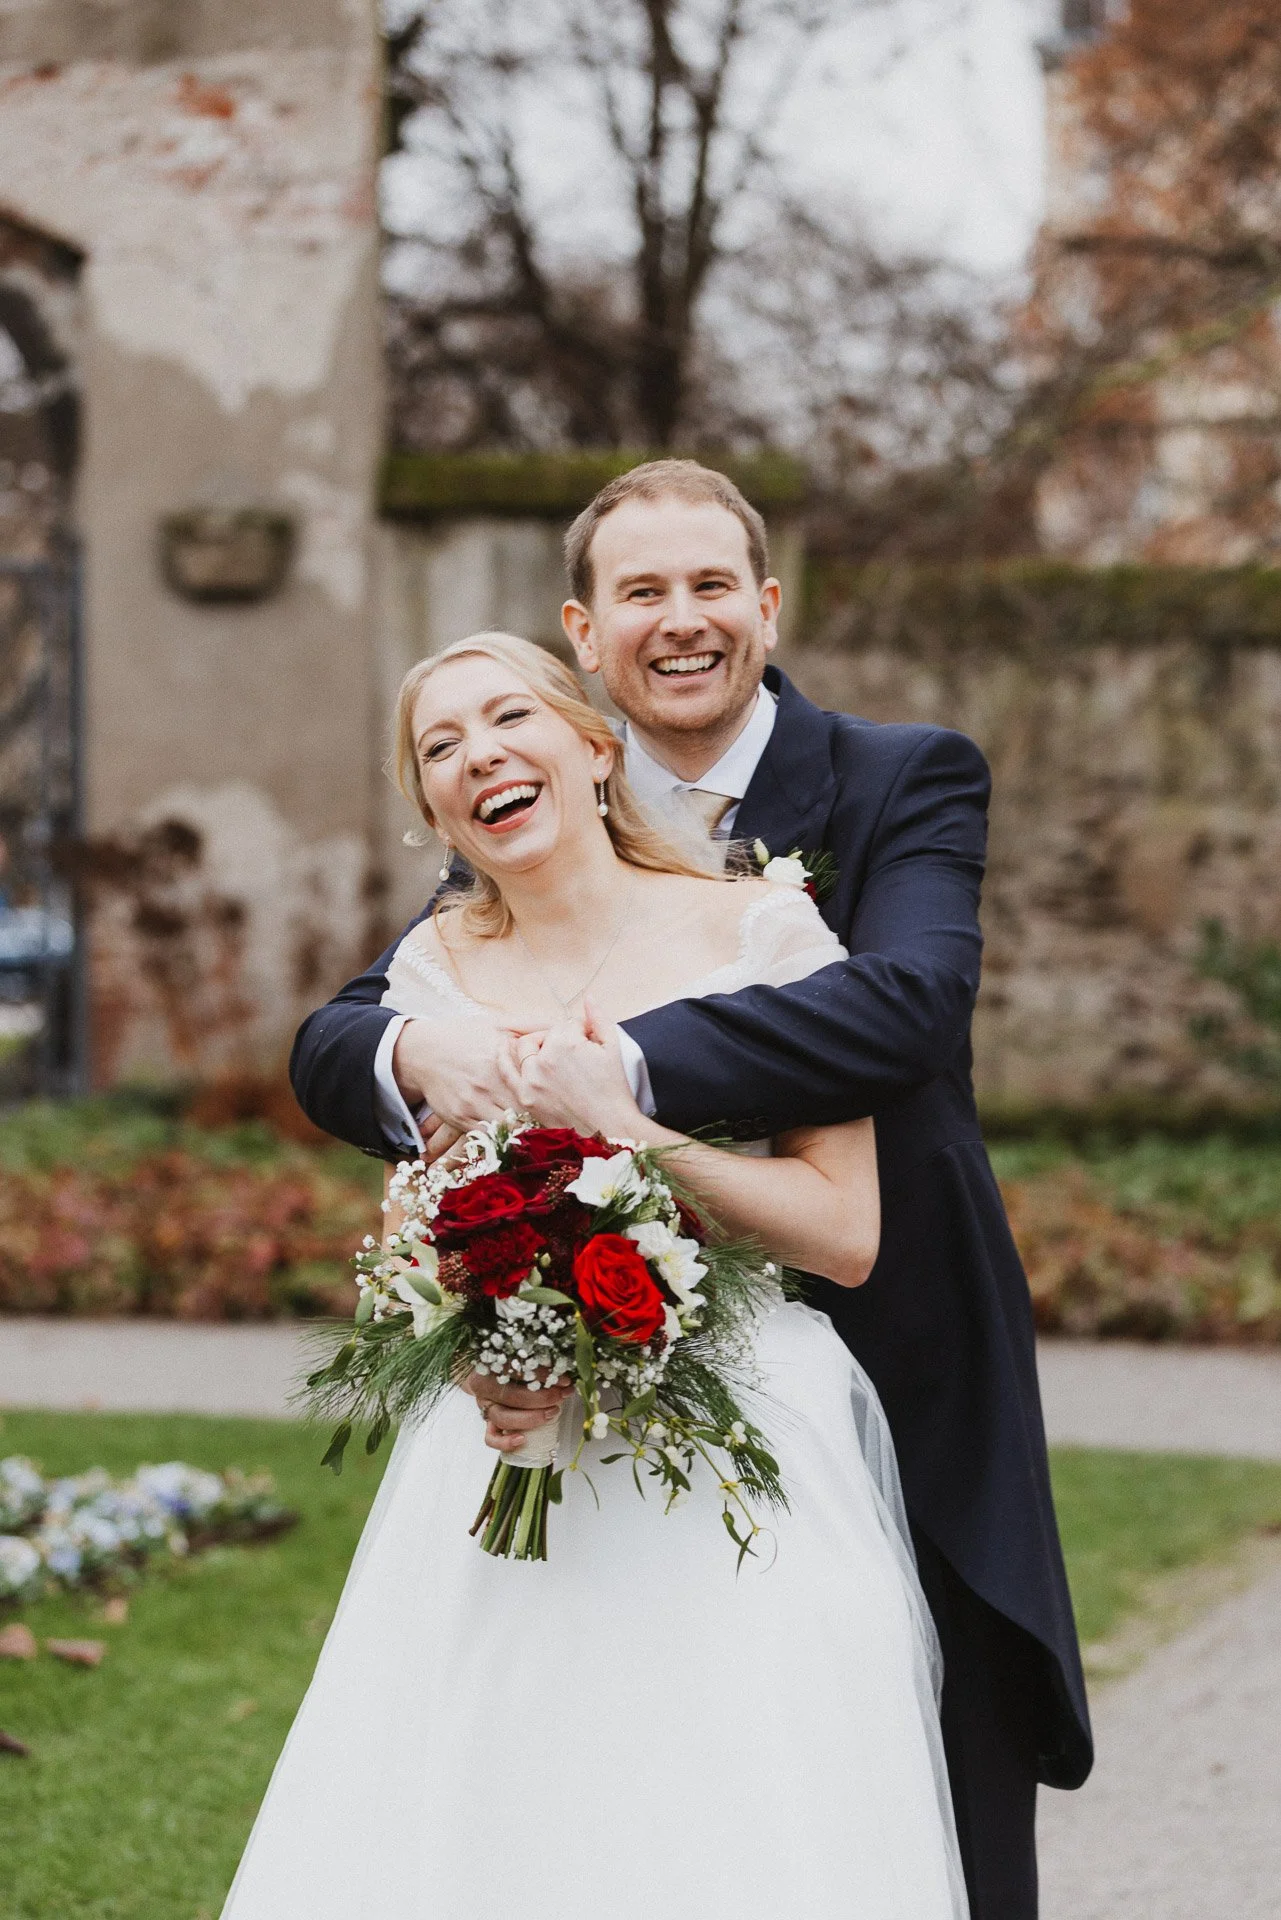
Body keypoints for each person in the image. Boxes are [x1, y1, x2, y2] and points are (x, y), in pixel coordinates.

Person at [290, 461, 1093, 1920]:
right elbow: (360, 1031)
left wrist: (611, 1081)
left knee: (897, 1767)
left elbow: (912, 1005)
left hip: (885, 1350)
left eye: (711, 586)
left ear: (767, 608)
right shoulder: (518, 811)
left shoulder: (894, 780)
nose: (682, 621)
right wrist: (427, 1059)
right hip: (577, 1412)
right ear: (585, 640)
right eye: (642, 593)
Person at [224, 632, 968, 1919]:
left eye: (508, 717)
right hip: (509, 1458)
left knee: (739, 1825)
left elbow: (843, 1231)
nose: (478, 756)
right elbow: (428, 1226)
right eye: (439, 748)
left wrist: (638, 1140)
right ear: (431, 807)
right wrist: (487, 1346)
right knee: (495, 1822)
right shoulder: (431, 982)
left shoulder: (762, 927)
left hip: (746, 1444)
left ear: (592, 740)